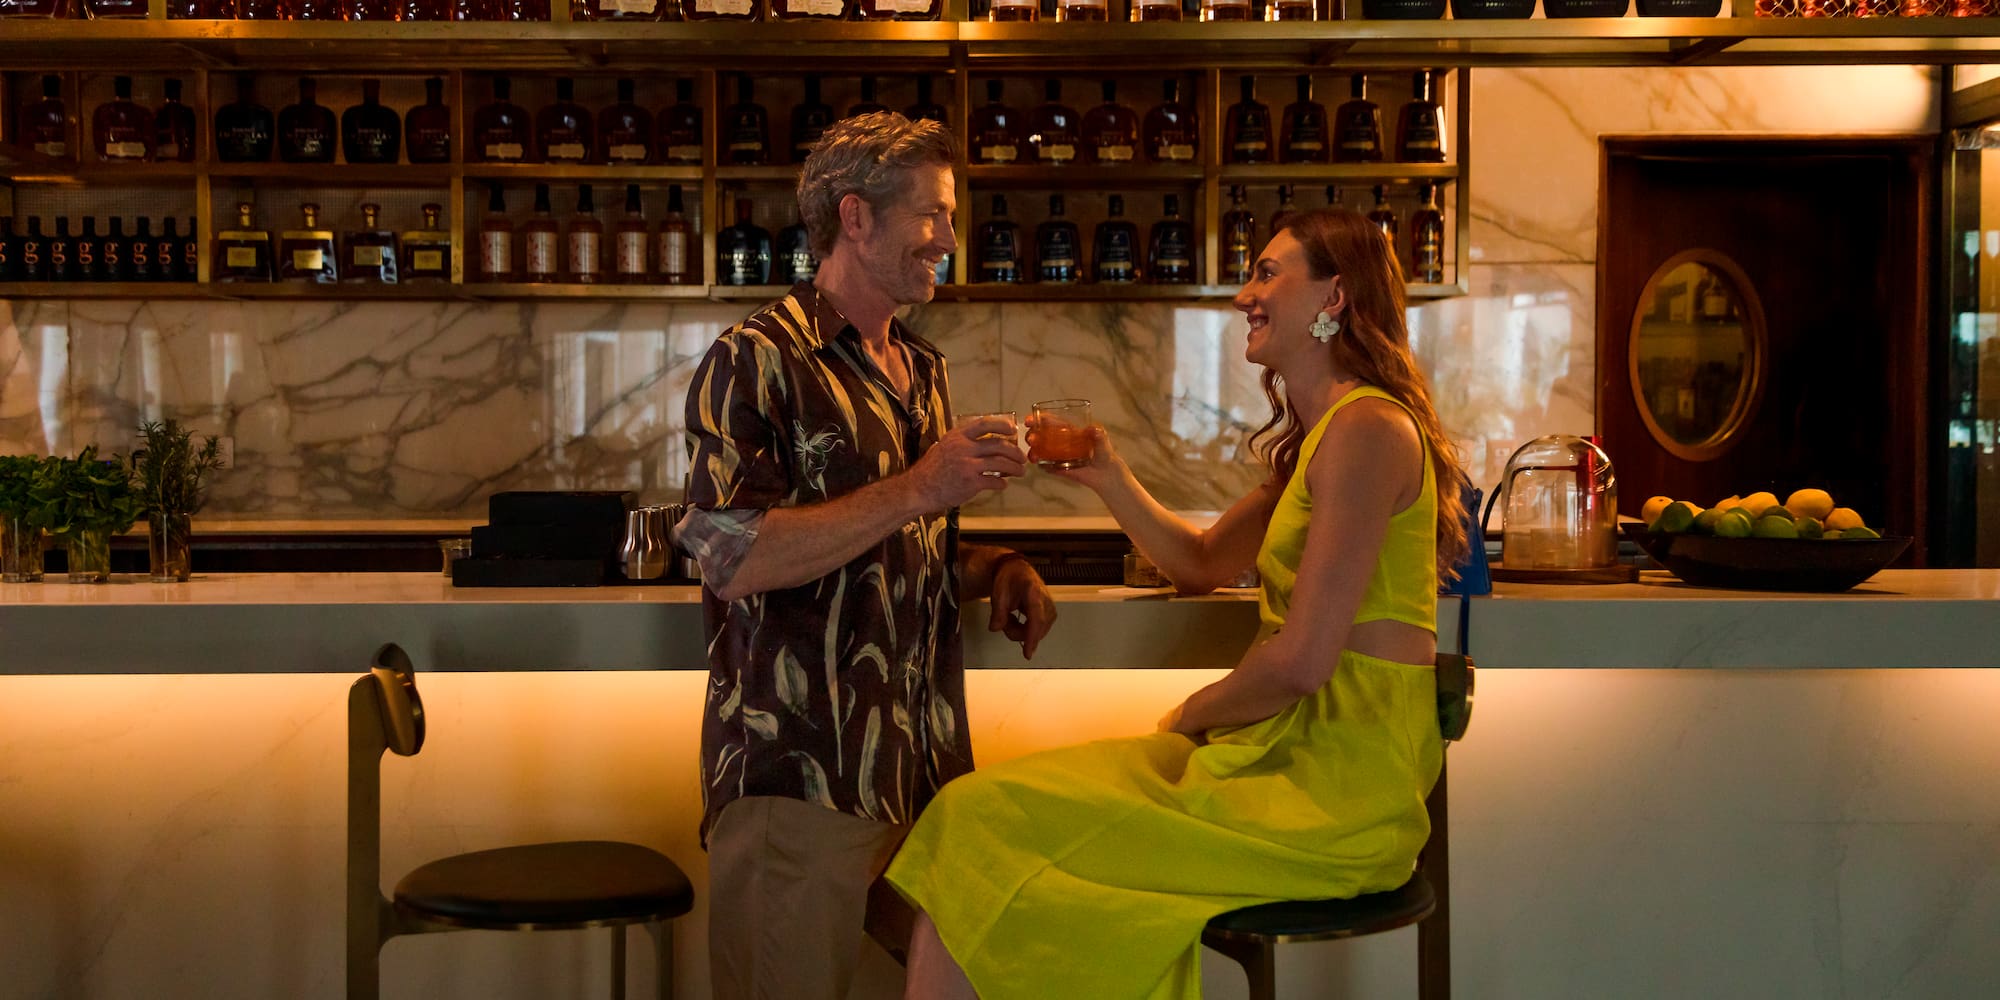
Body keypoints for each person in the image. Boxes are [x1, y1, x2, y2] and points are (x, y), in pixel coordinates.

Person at [883, 207, 1471, 1000]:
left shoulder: (1369, 431)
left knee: (982, 820)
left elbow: (1300, 661)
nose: (1242, 296)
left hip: (1335, 792)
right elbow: (1200, 563)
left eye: (1268, 273)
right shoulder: (1325, 436)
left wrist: (1189, 715)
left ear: (1335, 295)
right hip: (1279, 760)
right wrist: (1108, 474)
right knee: (973, 820)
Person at [675, 112, 1059, 1000]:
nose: (951, 240)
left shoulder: (923, 369)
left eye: (952, 218)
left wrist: (995, 566)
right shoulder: (754, 359)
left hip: (922, 779)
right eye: (933, 215)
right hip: (799, 775)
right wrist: (924, 485)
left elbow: (898, 546)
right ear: (856, 218)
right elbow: (730, 560)